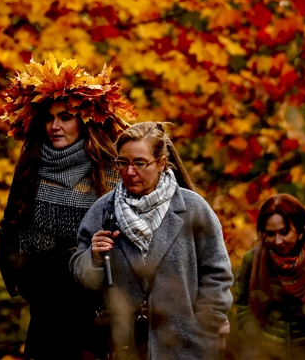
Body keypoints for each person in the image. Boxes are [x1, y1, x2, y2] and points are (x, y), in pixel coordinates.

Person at [0, 55, 137, 359]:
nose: (55, 126)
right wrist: (24, 279)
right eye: (49, 117)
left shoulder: (111, 171)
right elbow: (9, 229)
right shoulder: (30, 167)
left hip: (99, 314)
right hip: (46, 311)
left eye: (65, 117)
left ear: (84, 121)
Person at [71, 122, 233, 360]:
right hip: (123, 346)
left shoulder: (192, 208)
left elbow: (217, 273)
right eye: (122, 163)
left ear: (161, 163)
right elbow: (81, 276)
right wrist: (93, 258)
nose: (129, 172)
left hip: (184, 346)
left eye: (139, 163)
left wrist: (206, 324)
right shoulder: (103, 211)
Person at [232, 193, 305, 359]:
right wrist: (257, 341)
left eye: (284, 232)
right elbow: (243, 304)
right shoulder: (254, 262)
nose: (278, 241)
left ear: (300, 230)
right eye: (271, 234)